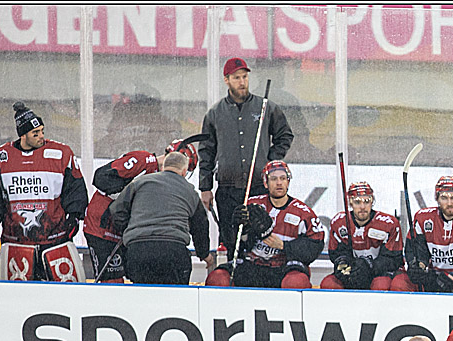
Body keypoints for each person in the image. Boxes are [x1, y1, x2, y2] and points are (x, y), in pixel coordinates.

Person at [199, 57, 294, 258]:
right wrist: (205, 187)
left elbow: (285, 135)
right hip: (227, 187)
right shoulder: (215, 113)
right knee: (230, 239)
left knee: (258, 238)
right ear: (227, 80)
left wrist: (270, 160)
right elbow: (206, 151)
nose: (242, 82)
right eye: (236, 78)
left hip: (258, 186)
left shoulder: (266, 107)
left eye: (244, 77)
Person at [0, 102, 88, 281]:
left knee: (66, 298)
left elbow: (76, 189)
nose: (41, 136)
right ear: (23, 135)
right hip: (16, 243)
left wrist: (75, 217)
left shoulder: (62, 153)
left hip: (56, 242)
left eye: (42, 130)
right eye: (35, 133)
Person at [109, 151, 211, 285]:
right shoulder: (190, 192)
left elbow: (117, 211)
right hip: (173, 251)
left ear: (163, 167)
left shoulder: (139, 182)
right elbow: (200, 226)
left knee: (143, 296)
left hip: (139, 251)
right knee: (174, 299)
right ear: (184, 171)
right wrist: (204, 254)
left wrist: (130, 231)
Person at [231, 160, 323, 289]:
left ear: (288, 181)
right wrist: (237, 227)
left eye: (283, 178)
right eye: (273, 179)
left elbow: (315, 246)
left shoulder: (303, 213)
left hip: (284, 268)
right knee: (218, 277)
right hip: (254, 266)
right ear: (265, 183)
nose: (279, 183)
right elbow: (236, 242)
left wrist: (284, 246)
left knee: (296, 282)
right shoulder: (251, 205)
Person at [321, 181, 404, 291]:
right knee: (328, 284)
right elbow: (337, 253)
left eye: (366, 201)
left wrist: (369, 266)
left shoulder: (388, 224)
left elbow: (393, 259)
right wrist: (342, 263)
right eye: (357, 202)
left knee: (381, 286)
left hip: (379, 273)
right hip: (353, 271)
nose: (362, 207)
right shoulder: (339, 222)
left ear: (372, 201)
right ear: (350, 202)